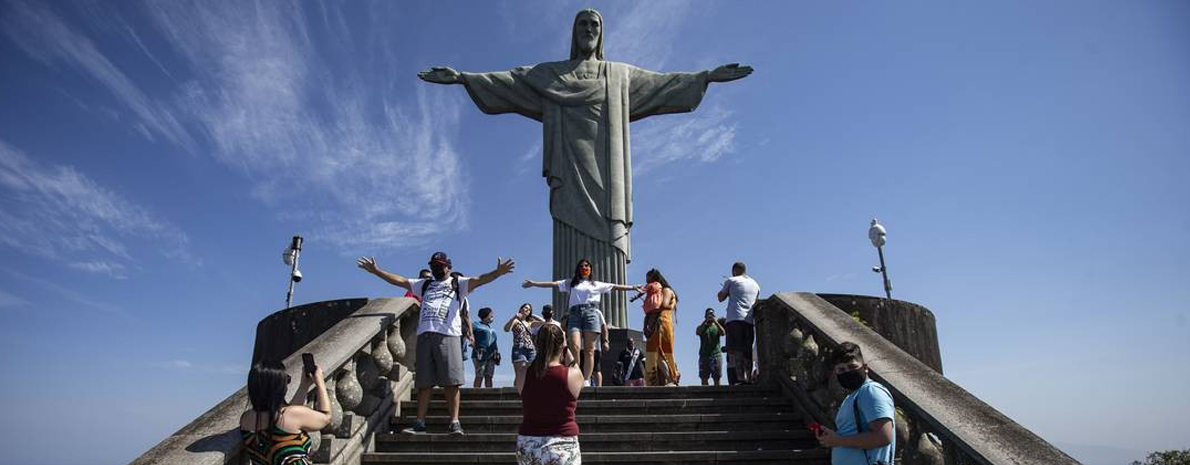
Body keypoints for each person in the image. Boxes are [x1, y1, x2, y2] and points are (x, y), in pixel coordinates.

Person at [357, 252, 515, 435]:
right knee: (424, 382)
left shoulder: (459, 284)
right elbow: (400, 281)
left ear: (449, 267)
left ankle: (454, 422)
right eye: (433, 265)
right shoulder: (424, 284)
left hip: (448, 335)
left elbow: (481, 279)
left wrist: (498, 272)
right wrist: (376, 271)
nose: (436, 268)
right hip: (425, 335)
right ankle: (419, 423)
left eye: (440, 265)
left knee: (452, 382)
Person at [523, 258, 639, 382]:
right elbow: (553, 284)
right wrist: (534, 283)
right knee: (575, 346)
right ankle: (576, 376)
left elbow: (615, 287)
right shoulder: (571, 283)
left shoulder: (596, 284)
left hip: (591, 313)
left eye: (587, 265)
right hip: (575, 314)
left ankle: (586, 380)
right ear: (578, 269)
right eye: (582, 266)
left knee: (589, 349)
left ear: (591, 269)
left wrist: (633, 287)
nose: (585, 268)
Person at [240, 359, 331, 465]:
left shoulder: (245, 419)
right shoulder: (289, 415)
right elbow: (326, 417)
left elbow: (288, 415)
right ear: (278, 386)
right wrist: (320, 382)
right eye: (287, 380)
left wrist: (304, 386)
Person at [515, 324, 584, 464]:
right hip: (563, 443)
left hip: (529, 443)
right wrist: (566, 350)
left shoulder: (523, 374)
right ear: (562, 345)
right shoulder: (572, 375)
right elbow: (576, 368)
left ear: (536, 343)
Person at [816, 342, 896, 464]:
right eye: (841, 369)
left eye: (852, 367)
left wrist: (838, 441)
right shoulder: (854, 396)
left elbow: (883, 437)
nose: (847, 372)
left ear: (865, 368)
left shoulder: (871, 391)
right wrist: (832, 438)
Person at [717, 261, 760, 385]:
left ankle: (740, 378)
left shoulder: (732, 280)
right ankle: (748, 378)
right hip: (749, 320)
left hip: (734, 318)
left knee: (736, 350)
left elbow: (720, 297)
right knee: (747, 350)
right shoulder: (755, 284)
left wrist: (729, 292)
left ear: (734, 270)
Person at [641, 268, 680, 386]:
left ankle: (671, 377)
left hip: (662, 323)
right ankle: (667, 378)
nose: (648, 284)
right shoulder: (659, 292)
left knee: (663, 352)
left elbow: (662, 305)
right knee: (657, 354)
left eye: (649, 280)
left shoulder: (667, 291)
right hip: (661, 323)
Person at [504, 303, 540, 382]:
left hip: (531, 349)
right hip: (519, 348)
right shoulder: (516, 321)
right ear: (520, 309)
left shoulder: (530, 323)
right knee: (520, 374)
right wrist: (514, 317)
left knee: (532, 372)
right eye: (525, 308)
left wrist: (532, 315)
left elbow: (544, 322)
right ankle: (516, 392)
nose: (527, 309)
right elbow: (506, 329)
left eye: (529, 309)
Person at [696, 308, 726, 386]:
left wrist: (715, 321)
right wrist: (705, 321)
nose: (710, 316)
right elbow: (698, 332)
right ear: (705, 316)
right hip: (704, 355)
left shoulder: (717, 326)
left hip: (716, 355)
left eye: (712, 314)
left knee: (717, 378)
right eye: (708, 314)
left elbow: (723, 333)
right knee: (704, 378)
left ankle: (717, 396)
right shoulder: (702, 327)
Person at [472, 307, 500, 388]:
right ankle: (476, 395)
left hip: (491, 355)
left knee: (489, 376)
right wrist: (472, 342)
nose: (492, 316)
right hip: (480, 354)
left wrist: (497, 353)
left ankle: (490, 396)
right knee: (479, 375)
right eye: (491, 315)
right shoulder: (476, 325)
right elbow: (468, 333)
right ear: (486, 315)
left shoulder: (491, 329)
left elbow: (494, 342)